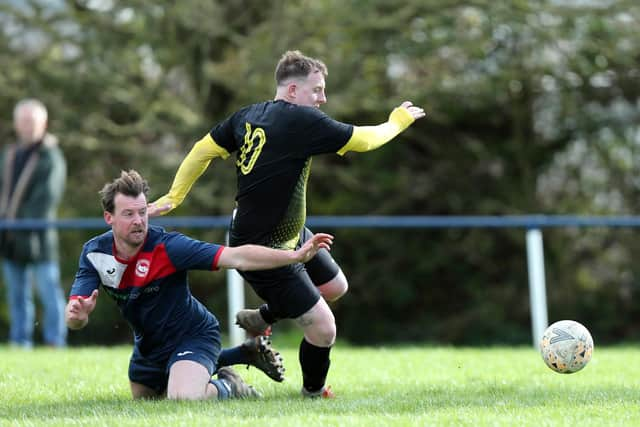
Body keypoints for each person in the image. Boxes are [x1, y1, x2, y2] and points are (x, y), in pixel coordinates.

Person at [149, 50, 426, 398]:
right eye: (317, 90)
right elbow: (366, 140)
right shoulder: (301, 122)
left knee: (336, 287)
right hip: (263, 250)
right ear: (293, 91)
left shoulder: (249, 114)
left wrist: (175, 196)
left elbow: (202, 149)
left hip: (289, 235)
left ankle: (263, 317)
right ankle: (313, 393)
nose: (323, 99)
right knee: (324, 330)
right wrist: (399, 119)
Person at [66, 169, 334, 401]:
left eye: (142, 212)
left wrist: (294, 256)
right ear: (108, 217)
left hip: (193, 333)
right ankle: (242, 354)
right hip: (149, 345)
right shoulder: (94, 254)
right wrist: (79, 316)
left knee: (182, 398)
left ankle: (230, 385)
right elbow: (74, 318)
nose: (138, 221)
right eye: (128, 214)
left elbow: (236, 255)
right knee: (146, 399)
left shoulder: (169, 247)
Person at [0, 98, 67, 348]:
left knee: (49, 294)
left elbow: (46, 198)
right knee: (17, 296)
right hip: (9, 240)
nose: (27, 126)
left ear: (44, 123)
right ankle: (20, 342)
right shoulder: (9, 155)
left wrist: (15, 222)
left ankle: (55, 341)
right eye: (23, 121)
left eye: (32, 121)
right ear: (16, 124)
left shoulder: (51, 157)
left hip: (38, 239)